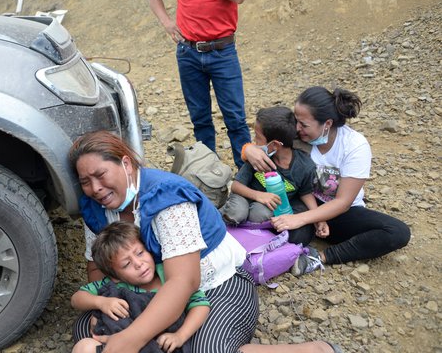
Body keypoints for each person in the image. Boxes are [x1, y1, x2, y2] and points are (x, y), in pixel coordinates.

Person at [68, 130, 344, 353]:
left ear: (126, 164)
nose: (95, 188)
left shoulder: (166, 198)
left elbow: (183, 282)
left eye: (100, 175)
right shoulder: (96, 208)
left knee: (207, 349)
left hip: (215, 285)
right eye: (85, 181)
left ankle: (314, 350)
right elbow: (99, 268)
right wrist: (104, 303)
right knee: (89, 330)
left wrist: (132, 337)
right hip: (150, 288)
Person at [243, 87, 411, 276]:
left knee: (397, 232)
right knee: (292, 234)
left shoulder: (354, 146)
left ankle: (319, 257)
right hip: (301, 202)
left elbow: (343, 202)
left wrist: (299, 219)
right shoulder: (295, 135)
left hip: (339, 213)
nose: (297, 128)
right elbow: (264, 140)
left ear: (327, 124)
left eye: (304, 124)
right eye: (296, 121)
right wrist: (248, 149)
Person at [147, 0, 251, 168]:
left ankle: (247, 177)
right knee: (200, 119)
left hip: (223, 51)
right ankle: (209, 175)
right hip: (188, 53)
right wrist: (168, 24)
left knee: (235, 118)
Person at [71, 221, 210, 353]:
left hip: (162, 347)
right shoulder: (113, 284)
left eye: (140, 253)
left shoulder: (170, 277)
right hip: (121, 347)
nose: (138, 263)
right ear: (115, 276)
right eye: (126, 264)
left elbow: (200, 305)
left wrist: (181, 335)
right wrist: (101, 302)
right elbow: (77, 298)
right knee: (84, 347)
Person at [221, 106, 329, 245]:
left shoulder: (305, 166)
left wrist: (319, 218)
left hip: (264, 208)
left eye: (258, 138)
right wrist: (259, 195)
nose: (255, 142)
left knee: (261, 214)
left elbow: (305, 193)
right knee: (236, 213)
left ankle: (245, 235)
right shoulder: (258, 159)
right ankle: (217, 222)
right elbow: (236, 186)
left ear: (275, 145)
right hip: (244, 196)